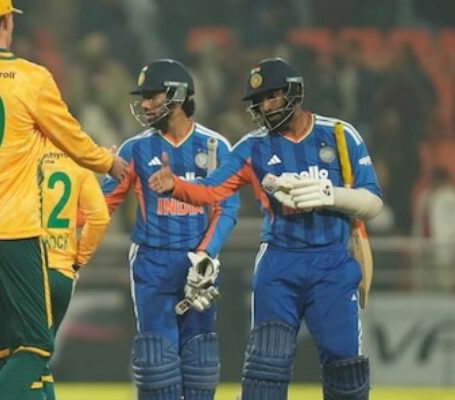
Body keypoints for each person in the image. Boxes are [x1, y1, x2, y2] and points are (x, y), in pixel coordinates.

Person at [0, 1, 128, 399]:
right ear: (6, 22)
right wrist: (109, 162)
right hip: (11, 224)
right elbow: (71, 138)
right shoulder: (31, 77)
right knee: (36, 344)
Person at [148, 57, 383, 400]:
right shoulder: (252, 146)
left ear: (295, 92)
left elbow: (373, 202)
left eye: (273, 96)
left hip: (332, 263)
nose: (266, 106)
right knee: (266, 367)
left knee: (344, 365)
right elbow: (211, 190)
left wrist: (331, 195)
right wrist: (176, 186)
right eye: (259, 100)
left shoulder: (339, 134)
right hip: (279, 263)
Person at [102, 59, 240, 400]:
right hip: (152, 262)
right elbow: (103, 203)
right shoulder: (134, 148)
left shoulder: (215, 146)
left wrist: (206, 256)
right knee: (156, 364)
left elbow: (227, 209)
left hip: (199, 265)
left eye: (152, 96)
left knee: (199, 363)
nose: (145, 105)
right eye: (143, 98)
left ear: (177, 96)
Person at [38, 141, 112, 399]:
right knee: (41, 354)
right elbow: (99, 217)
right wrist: (78, 260)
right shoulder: (77, 160)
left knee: (23, 354)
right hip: (62, 271)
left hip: (29, 268)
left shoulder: (24, 154)